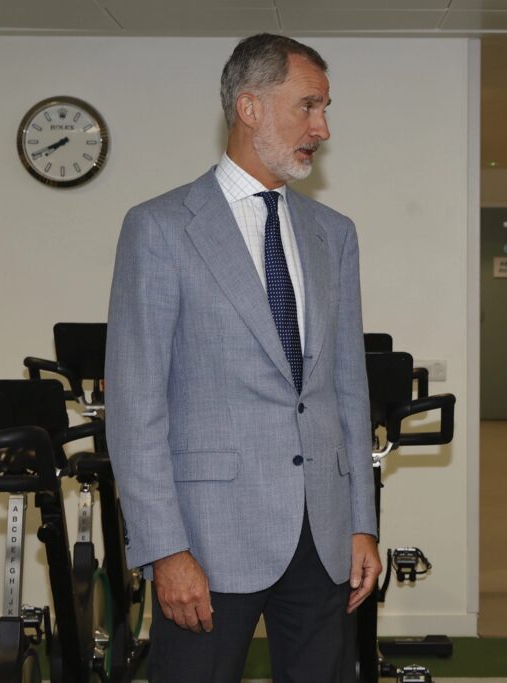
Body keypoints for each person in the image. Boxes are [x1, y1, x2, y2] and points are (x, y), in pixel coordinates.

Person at [105, 33, 381, 682]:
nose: (322, 127)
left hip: (322, 534)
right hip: (206, 539)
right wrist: (163, 547)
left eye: (326, 108)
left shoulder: (332, 234)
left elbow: (346, 388)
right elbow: (135, 404)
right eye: (308, 106)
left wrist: (360, 522)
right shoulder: (160, 227)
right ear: (249, 107)